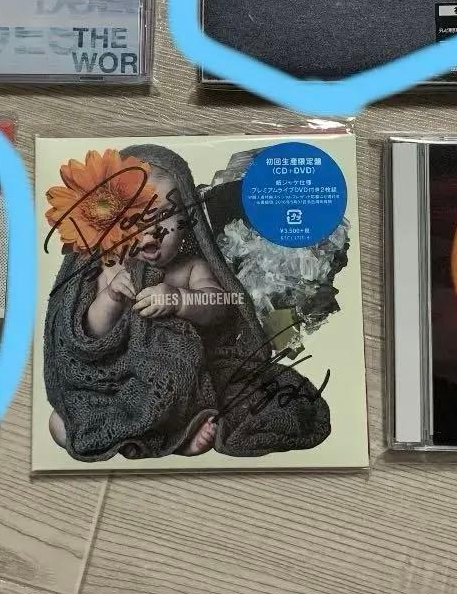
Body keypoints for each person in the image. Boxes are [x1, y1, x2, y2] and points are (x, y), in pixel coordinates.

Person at [44, 143, 331, 463]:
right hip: (116, 381)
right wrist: (110, 298)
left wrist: (181, 300)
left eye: (166, 217)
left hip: (180, 382)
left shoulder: (191, 268)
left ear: (187, 223)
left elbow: (220, 307)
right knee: (60, 423)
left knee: (200, 391)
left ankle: (180, 435)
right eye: (135, 218)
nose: (151, 232)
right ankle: (137, 433)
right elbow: (89, 334)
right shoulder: (108, 270)